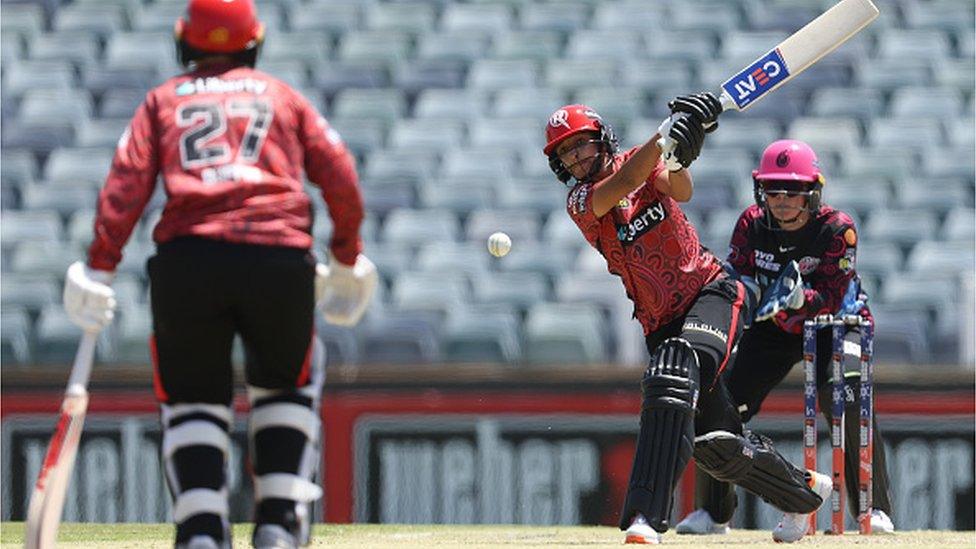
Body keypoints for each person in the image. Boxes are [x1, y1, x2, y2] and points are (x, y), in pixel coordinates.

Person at [60, 0, 377, 547]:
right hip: (278, 258)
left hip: (189, 261)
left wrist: (100, 266)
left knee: (193, 399)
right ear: (254, 43)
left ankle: (202, 525)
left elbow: (126, 184)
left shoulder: (160, 101)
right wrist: (345, 255)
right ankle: (279, 522)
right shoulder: (283, 97)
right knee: (286, 387)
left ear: (185, 42)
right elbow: (342, 177)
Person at [544, 99, 833, 545]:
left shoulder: (639, 164)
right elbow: (624, 182)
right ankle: (805, 493)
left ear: (601, 139)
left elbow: (680, 190)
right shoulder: (581, 200)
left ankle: (645, 519)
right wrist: (665, 138)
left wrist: (677, 157)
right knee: (715, 444)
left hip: (710, 293)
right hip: (659, 323)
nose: (577, 158)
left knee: (673, 373)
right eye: (567, 154)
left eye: (582, 146)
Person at [675, 139, 895, 535]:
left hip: (837, 323)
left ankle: (872, 510)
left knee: (844, 396)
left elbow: (830, 295)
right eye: (773, 191)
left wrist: (796, 297)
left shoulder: (836, 228)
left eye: (792, 191)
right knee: (717, 398)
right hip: (772, 328)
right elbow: (738, 278)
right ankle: (714, 512)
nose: (782, 200)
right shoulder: (750, 223)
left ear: (813, 192)